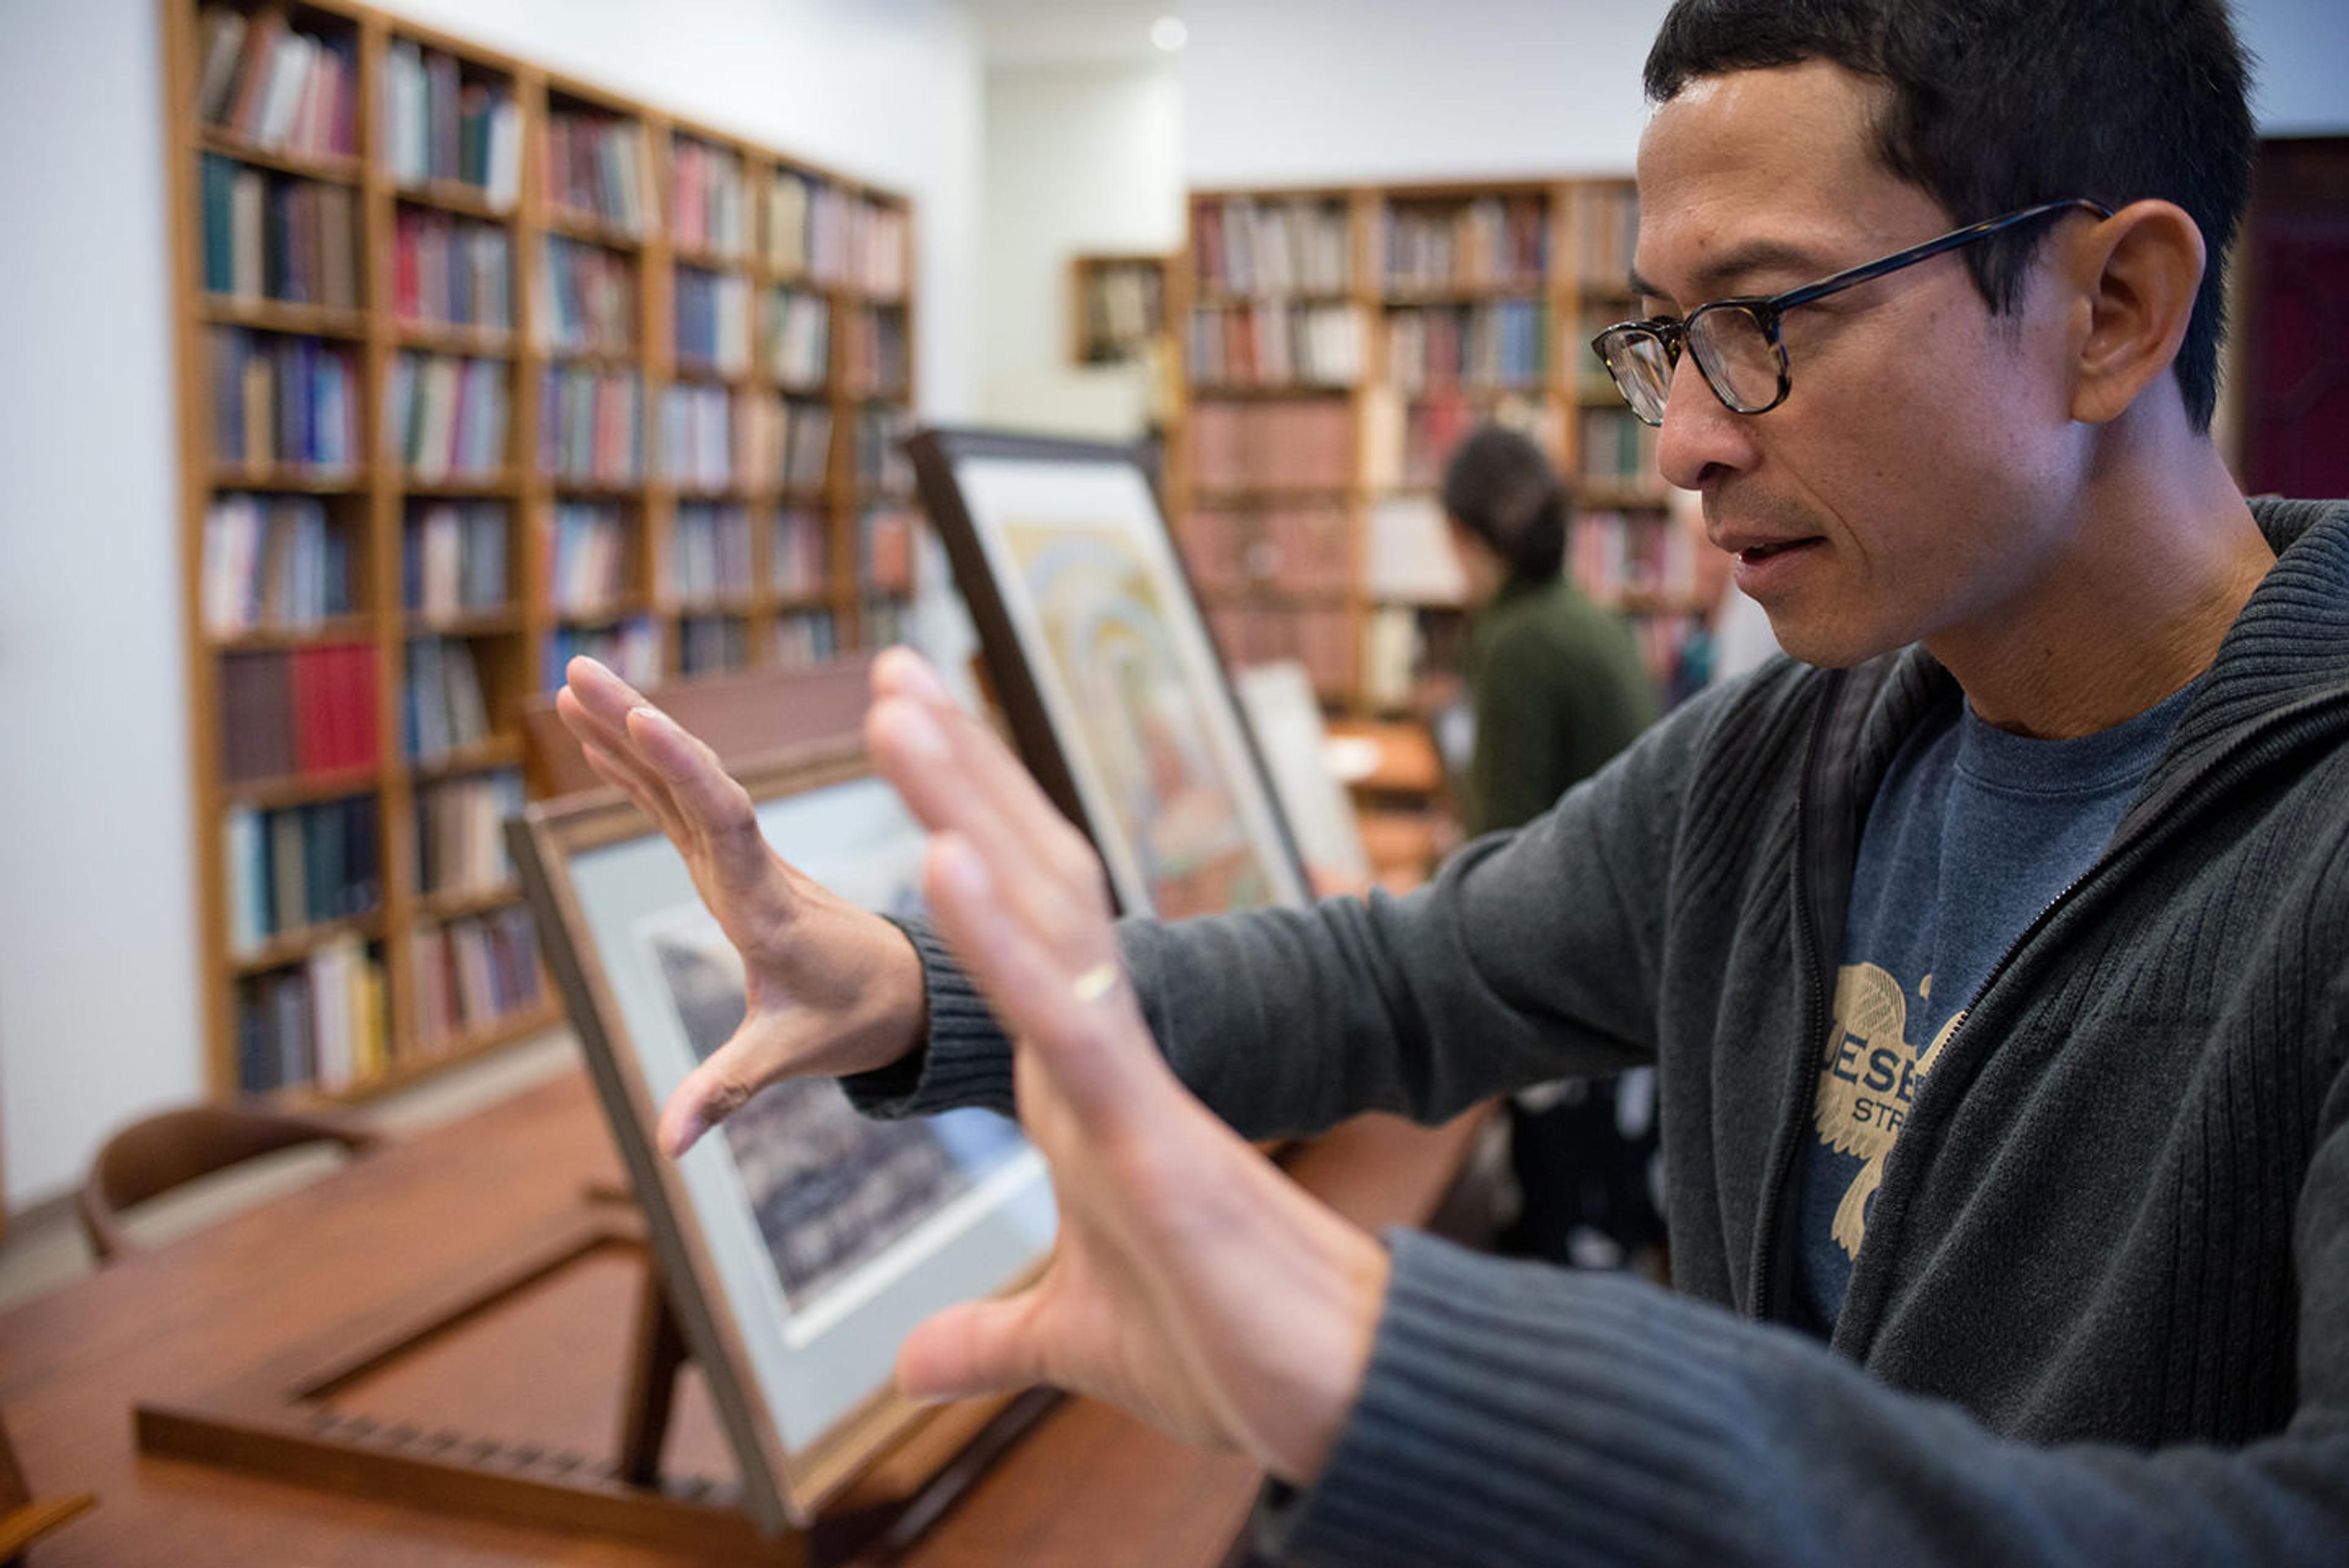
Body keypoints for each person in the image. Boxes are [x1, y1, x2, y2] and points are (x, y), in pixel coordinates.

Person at [555, 0, 2349, 1559]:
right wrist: (913, 991)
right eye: (1664, 337)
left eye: (1765, 317)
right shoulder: (1790, 757)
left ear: (2112, 306)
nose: (1684, 444)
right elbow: (1403, 973)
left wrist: (1401, 1359)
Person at [1439, 425, 1667, 1273]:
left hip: (1577, 990)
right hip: (1630, 972)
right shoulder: (1579, 615)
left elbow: (1507, 849)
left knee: (1554, 1221)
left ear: (1460, 536)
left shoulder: (1516, 641)